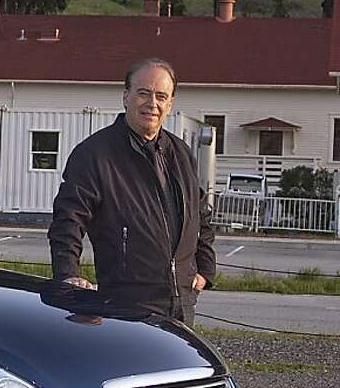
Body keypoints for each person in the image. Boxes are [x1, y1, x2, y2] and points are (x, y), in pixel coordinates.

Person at [48, 58, 216, 326]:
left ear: (170, 104)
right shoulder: (95, 155)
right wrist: (68, 275)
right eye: (143, 93)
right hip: (126, 306)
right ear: (126, 97)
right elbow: (68, 220)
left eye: (161, 96)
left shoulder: (181, 154)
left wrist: (205, 269)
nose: (152, 103)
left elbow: (200, 214)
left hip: (183, 304)